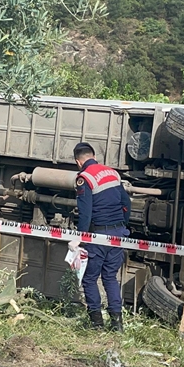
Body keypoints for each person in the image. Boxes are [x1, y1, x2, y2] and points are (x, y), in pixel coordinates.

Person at [73, 142, 131, 331]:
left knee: (90, 278)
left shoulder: (84, 178)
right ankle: (117, 325)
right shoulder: (112, 173)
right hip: (118, 233)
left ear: (78, 162)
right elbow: (126, 203)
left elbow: (86, 213)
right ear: (94, 156)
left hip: (98, 235)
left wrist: (80, 238)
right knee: (110, 277)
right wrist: (122, 225)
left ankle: (96, 324)